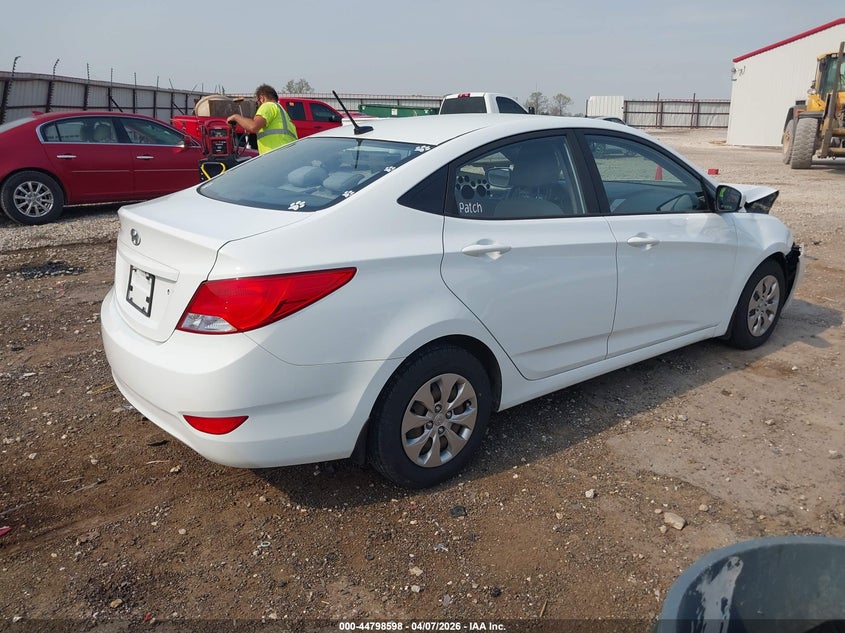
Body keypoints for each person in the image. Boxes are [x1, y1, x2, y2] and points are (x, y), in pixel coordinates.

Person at [227, 84, 297, 154]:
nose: (257, 105)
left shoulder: (268, 105)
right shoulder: (283, 113)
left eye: (257, 102)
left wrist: (236, 117)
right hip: (286, 156)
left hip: (275, 157)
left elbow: (253, 126)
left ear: (262, 98)